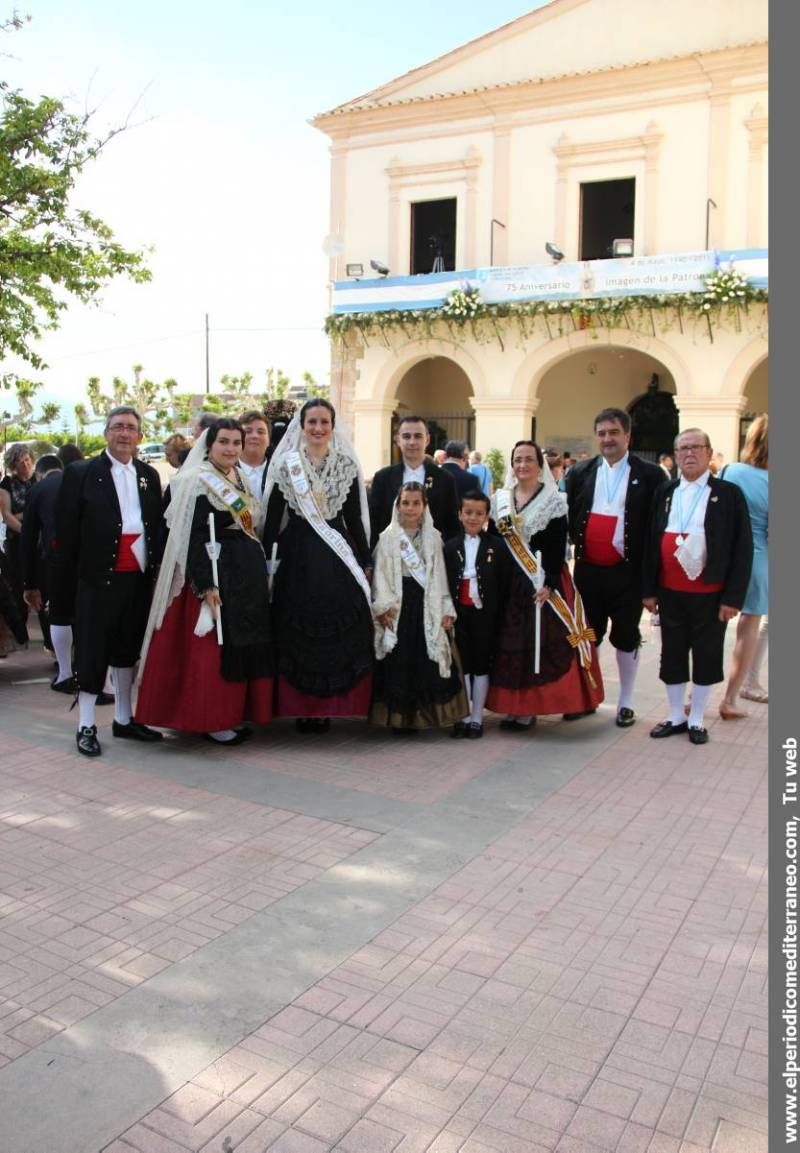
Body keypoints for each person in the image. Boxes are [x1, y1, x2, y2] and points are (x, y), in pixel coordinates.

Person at [135, 420, 274, 744]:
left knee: (239, 645)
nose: (231, 448)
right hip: (214, 573)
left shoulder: (235, 477)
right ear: (208, 446)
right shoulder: (198, 481)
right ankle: (210, 718)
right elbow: (192, 538)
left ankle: (231, 713)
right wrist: (206, 585)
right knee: (212, 650)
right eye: (223, 442)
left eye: (236, 442)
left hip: (243, 574)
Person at [55, 406, 165, 757]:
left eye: (131, 428)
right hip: (96, 579)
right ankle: (86, 723)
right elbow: (66, 533)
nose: (124, 433)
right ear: (106, 432)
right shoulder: (81, 473)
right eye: (118, 427)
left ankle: (123, 718)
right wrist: (66, 584)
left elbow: (155, 528)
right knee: (91, 650)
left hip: (136, 578)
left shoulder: (149, 475)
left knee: (126, 649)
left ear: (140, 436)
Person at [263, 398, 374, 730]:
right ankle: (302, 707)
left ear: (332, 425)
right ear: (302, 425)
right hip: (298, 556)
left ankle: (327, 707)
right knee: (298, 630)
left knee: (334, 629)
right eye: (312, 422)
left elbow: (353, 518)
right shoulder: (287, 465)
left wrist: (365, 557)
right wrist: (265, 556)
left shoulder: (346, 465)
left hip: (336, 558)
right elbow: (273, 519)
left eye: (324, 422)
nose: (318, 428)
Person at [642, 427, 753, 746]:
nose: (689, 453)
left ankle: (697, 719)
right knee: (672, 653)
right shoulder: (665, 491)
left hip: (711, 593)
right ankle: (676, 715)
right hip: (669, 592)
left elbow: (742, 548)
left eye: (696, 447)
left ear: (708, 452)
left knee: (706, 654)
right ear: (675, 455)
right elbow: (652, 541)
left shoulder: (729, 494)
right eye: (683, 448)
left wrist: (733, 597)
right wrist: (648, 589)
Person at [488, 441, 604, 729]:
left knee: (535, 643)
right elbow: (494, 541)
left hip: (541, 581)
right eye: (518, 459)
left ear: (539, 465)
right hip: (509, 582)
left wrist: (550, 581)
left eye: (529, 459)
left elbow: (556, 545)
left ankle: (529, 709)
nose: (523, 465)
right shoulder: (500, 499)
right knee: (509, 643)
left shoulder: (553, 500)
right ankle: (512, 706)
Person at [566, 408, 664, 727]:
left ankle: (626, 701)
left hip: (628, 573)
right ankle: (587, 697)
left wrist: (652, 584)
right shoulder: (580, 472)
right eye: (602, 433)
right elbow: (568, 517)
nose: (607, 439)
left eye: (614, 432)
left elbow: (656, 531)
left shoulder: (650, 475)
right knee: (587, 636)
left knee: (625, 636)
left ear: (627, 436)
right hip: (588, 572)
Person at [371, 482, 467, 732]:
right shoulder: (388, 537)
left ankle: (427, 717)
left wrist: (446, 608)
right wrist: (383, 607)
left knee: (428, 662)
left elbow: (440, 576)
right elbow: (380, 574)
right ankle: (401, 719)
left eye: (416, 503)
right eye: (406, 502)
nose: (410, 508)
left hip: (428, 603)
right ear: (398, 504)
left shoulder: (434, 537)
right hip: (399, 606)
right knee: (400, 664)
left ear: (425, 506)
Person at [717, 413, 768, 719]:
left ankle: (695, 696)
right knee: (748, 629)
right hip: (759, 561)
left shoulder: (730, 470)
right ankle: (731, 699)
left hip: (724, 557)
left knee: (712, 627)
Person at [444, 490, 505, 738]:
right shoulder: (449, 546)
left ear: (487, 516)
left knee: (482, 663)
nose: (473, 518)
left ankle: (478, 717)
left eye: (479, 513)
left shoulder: (497, 546)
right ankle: (465, 714)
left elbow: (502, 585)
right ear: (459, 514)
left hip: (485, 615)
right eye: (468, 512)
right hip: (460, 613)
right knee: (463, 663)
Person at [369, 416, 459, 547]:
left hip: (433, 559)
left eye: (418, 436)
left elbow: (452, 524)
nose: (412, 442)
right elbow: (374, 522)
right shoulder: (382, 478)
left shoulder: (445, 479)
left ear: (427, 439)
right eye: (406, 436)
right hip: (391, 558)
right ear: (398, 440)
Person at [21, 455, 63, 667]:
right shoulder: (79, 482)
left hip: (52, 561)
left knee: (56, 611)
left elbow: (28, 539)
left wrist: (29, 584)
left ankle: (63, 666)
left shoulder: (37, 490)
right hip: (85, 563)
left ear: (38, 474)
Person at [0, 444, 37, 625]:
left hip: (38, 541)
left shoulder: (38, 480)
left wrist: (22, 515)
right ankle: (20, 628)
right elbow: (7, 515)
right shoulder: (7, 483)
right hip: (17, 540)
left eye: (27, 459)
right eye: (20, 462)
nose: (25, 464)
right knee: (16, 582)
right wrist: (26, 532)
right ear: (13, 464)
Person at [237, 410, 271, 497]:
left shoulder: (278, 472)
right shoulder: (226, 471)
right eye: (248, 431)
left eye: (261, 432)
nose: (255, 436)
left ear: (269, 441)